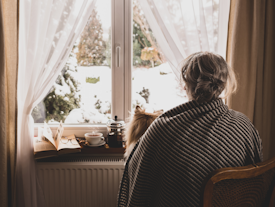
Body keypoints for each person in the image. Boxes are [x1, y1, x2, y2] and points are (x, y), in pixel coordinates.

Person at [117, 52, 263, 207]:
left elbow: (140, 181)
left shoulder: (165, 128)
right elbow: (255, 179)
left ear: (186, 84)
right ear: (222, 84)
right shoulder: (244, 124)